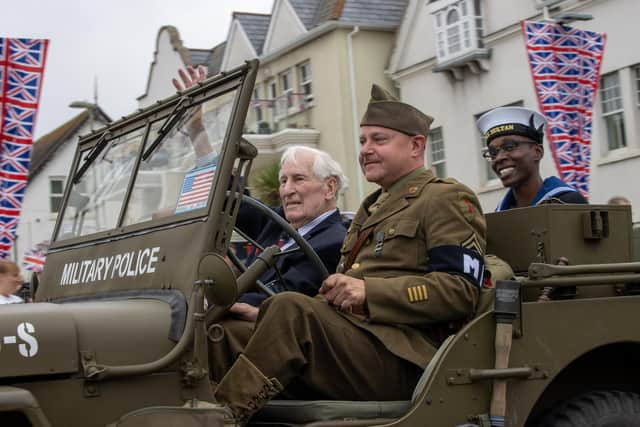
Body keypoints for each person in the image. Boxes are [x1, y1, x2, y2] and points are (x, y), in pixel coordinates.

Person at [207, 84, 487, 423]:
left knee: (290, 308)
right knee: (225, 331)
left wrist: (371, 292)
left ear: (416, 145)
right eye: (362, 141)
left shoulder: (446, 198)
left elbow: (461, 292)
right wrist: (264, 314)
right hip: (357, 345)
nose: (366, 150)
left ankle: (216, 420)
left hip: (404, 357)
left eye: (379, 140)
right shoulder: (372, 209)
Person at [231, 145, 349, 321]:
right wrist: (200, 138)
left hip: (265, 327)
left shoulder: (333, 242)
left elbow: (277, 296)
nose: (287, 190)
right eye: (283, 181)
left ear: (329, 188)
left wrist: (216, 301)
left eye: (298, 179)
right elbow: (234, 204)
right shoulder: (280, 223)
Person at [477, 106, 587, 211]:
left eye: (509, 147)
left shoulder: (568, 204)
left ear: (537, 152)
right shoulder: (499, 213)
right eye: (493, 153)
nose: (499, 158)